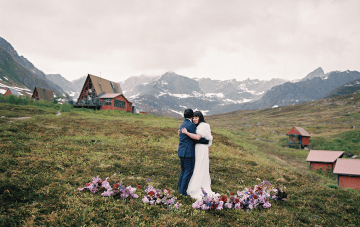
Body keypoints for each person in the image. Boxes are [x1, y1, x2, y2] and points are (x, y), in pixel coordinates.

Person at [181, 111, 216, 200]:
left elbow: (198, 137)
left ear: (200, 118)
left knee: (199, 165)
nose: (195, 119)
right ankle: (192, 185)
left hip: (201, 148)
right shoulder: (196, 126)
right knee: (196, 166)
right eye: (194, 118)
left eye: (197, 118)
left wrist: (186, 133)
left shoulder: (204, 125)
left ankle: (197, 186)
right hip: (196, 148)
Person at [177, 109, 209, 196]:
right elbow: (196, 137)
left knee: (183, 171)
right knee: (188, 171)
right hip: (188, 152)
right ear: (191, 116)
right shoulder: (191, 125)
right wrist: (206, 141)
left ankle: (179, 187)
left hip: (181, 151)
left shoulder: (182, 123)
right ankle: (182, 192)